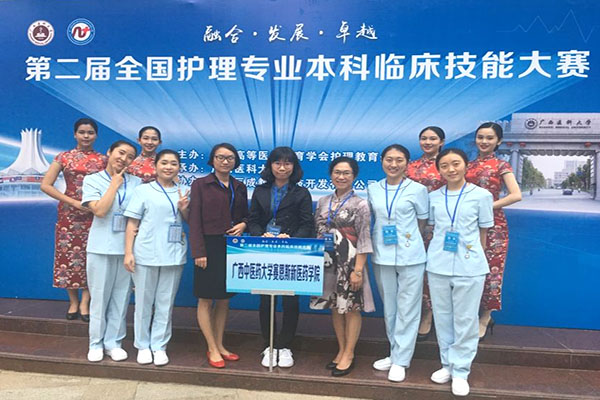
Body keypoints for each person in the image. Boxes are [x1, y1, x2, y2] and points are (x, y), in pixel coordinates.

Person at [427, 148, 494, 396]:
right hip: (438, 263)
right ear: (439, 170)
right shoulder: (433, 197)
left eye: (456, 163)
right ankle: (447, 364)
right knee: (443, 317)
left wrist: (475, 258)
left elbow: (483, 233)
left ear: (466, 165)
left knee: (466, 319)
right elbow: (432, 228)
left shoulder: (482, 196)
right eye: (444, 165)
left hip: (470, 265)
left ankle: (462, 370)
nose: (451, 169)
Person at [248, 146, 314, 369]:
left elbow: (307, 224)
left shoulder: (301, 193)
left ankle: (285, 345)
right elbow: (253, 220)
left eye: (287, 163)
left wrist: (291, 238)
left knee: (290, 300)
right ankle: (269, 344)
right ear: (270, 165)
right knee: (266, 299)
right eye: (277, 163)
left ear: (294, 166)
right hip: (264, 250)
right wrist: (261, 235)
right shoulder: (260, 190)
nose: (282, 167)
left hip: (291, 252)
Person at [124, 150, 190, 366]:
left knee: (165, 303)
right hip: (146, 253)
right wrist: (128, 252)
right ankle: (142, 345)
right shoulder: (143, 190)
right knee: (143, 302)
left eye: (173, 163)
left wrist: (184, 209)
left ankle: (159, 346)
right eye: (164, 163)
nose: (169, 167)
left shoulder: (184, 190)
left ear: (179, 167)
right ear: (155, 166)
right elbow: (132, 222)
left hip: (173, 254)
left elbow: (189, 220)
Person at [368, 145, 429, 382]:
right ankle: (394, 353)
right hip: (381, 253)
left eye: (399, 160)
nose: (393, 164)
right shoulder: (373, 188)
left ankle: (402, 360)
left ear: (407, 163)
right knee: (390, 307)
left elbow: (422, 222)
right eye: (389, 159)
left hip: (410, 254)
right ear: (382, 161)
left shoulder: (418, 189)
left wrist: (408, 239)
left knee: (408, 307)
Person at [310, 156, 373, 377]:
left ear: (354, 176)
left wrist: (358, 270)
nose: (341, 176)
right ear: (331, 175)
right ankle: (341, 349)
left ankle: (349, 353)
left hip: (350, 263)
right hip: (328, 262)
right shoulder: (323, 201)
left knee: (352, 307)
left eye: (346, 173)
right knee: (335, 306)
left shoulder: (361, 204)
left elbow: (364, 238)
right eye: (337, 172)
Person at [188, 143, 248, 369]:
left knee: (224, 299)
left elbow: (246, 215)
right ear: (212, 160)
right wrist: (198, 251)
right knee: (205, 298)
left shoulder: (239, 186)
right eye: (220, 157)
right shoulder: (200, 184)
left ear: (235, 161)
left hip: (231, 246)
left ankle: (220, 344)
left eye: (230, 158)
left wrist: (243, 224)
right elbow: (194, 220)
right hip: (208, 246)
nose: (225, 161)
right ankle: (211, 347)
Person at [41, 118, 107, 322]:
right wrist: (72, 202)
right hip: (69, 215)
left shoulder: (103, 160)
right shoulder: (63, 157)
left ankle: (86, 302)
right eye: (82, 132)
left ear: (96, 136)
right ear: (75, 134)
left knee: (91, 258)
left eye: (90, 133)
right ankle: (73, 302)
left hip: (94, 214)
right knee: (68, 258)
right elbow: (46, 185)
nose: (86, 136)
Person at [81, 140, 141, 363]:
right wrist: (114, 184)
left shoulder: (137, 183)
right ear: (109, 152)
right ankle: (95, 343)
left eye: (130, 156)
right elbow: (99, 210)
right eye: (121, 153)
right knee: (99, 298)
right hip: (101, 248)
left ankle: (113, 342)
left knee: (121, 298)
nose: (124, 159)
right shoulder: (92, 180)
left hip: (127, 249)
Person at [465, 122, 521, 340]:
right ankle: (467, 314)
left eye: (489, 138)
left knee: (491, 271)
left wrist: (488, 207)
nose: (484, 141)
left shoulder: (501, 165)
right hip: (467, 223)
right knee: (467, 269)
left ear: (499, 141)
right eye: (480, 137)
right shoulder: (466, 165)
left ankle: (485, 317)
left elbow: (516, 195)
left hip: (493, 226)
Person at [406, 126, 446, 341]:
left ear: (442, 142)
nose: (428, 142)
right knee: (416, 271)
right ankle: (418, 312)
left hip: (441, 225)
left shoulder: (448, 164)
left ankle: (430, 314)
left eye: (433, 138)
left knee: (436, 270)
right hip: (413, 226)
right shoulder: (410, 166)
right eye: (424, 138)